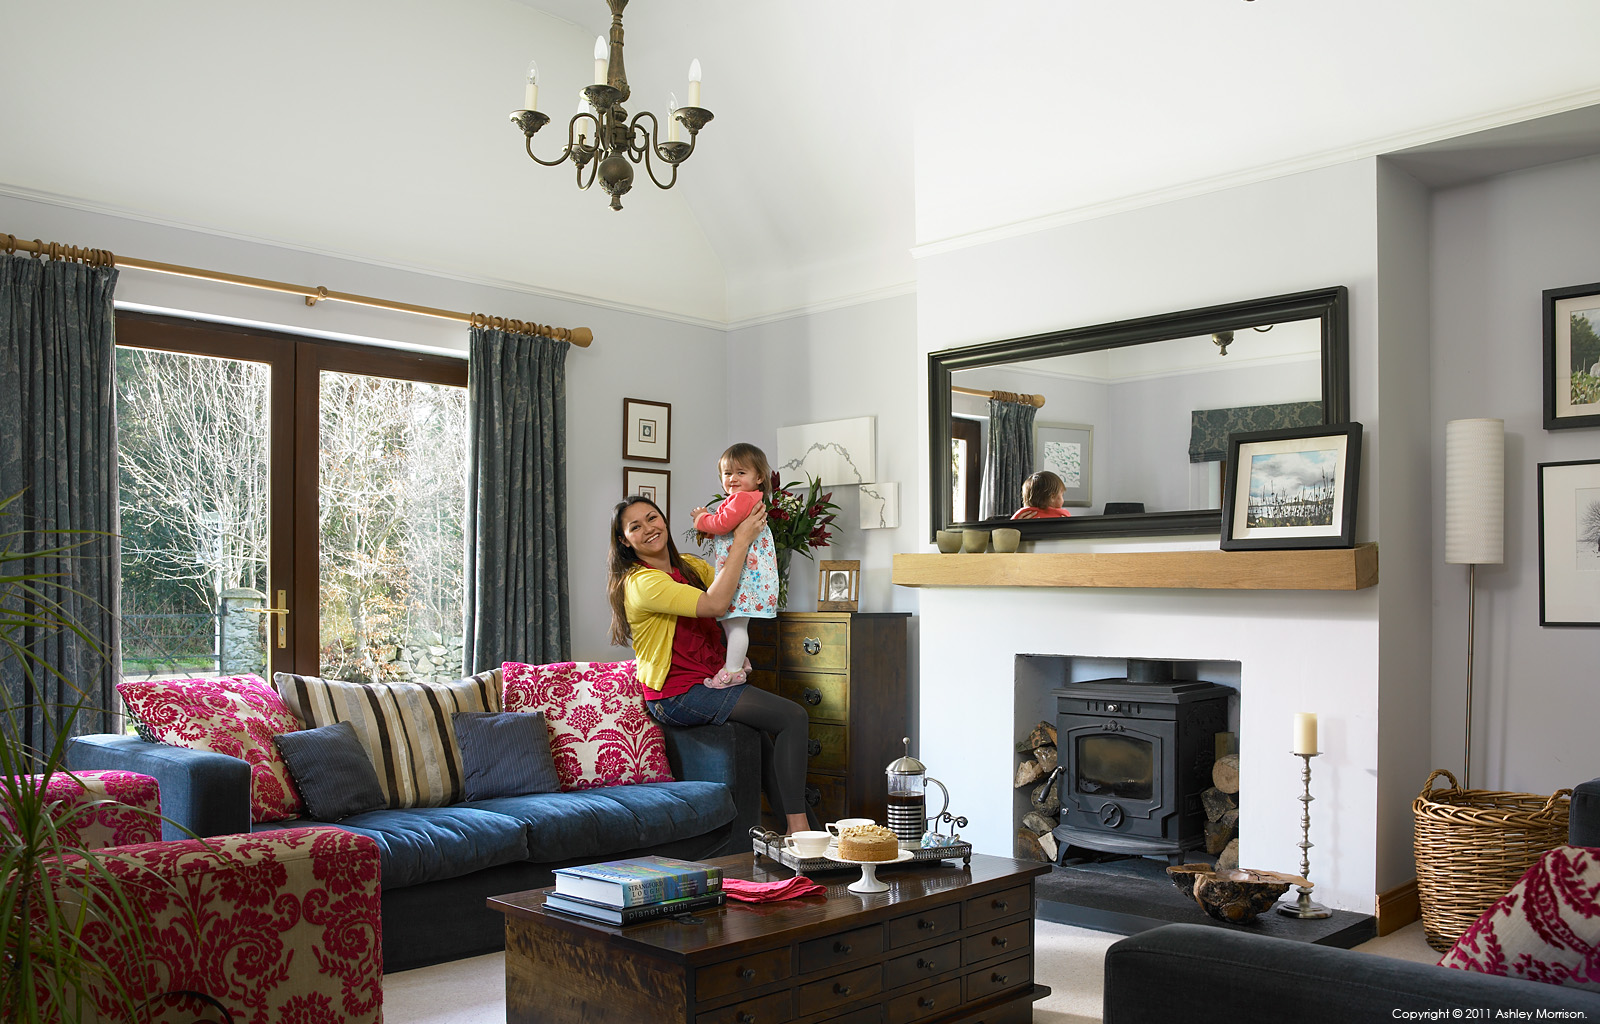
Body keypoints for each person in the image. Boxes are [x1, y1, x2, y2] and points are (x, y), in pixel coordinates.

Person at [607, 494, 812, 835]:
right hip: (675, 693)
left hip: (709, 681)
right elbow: (717, 603)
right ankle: (800, 830)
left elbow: (735, 586)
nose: (648, 529)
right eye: (635, 527)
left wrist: (744, 531)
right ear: (624, 540)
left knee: (764, 741)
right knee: (793, 716)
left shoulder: (689, 567)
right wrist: (742, 539)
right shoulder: (642, 582)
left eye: (652, 518)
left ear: (664, 520)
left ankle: (806, 842)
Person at [690, 443, 780, 688]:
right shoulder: (745, 500)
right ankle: (738, 662)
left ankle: (732, 672)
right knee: (731, 621)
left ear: (759, 477)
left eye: (741, 473)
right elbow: (728, 531)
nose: (733, 478)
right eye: (728, 473)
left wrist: (701, 519)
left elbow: (721, 524)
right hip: (746, 574)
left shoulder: (741, 499)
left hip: (745, 577)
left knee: (737, 622)